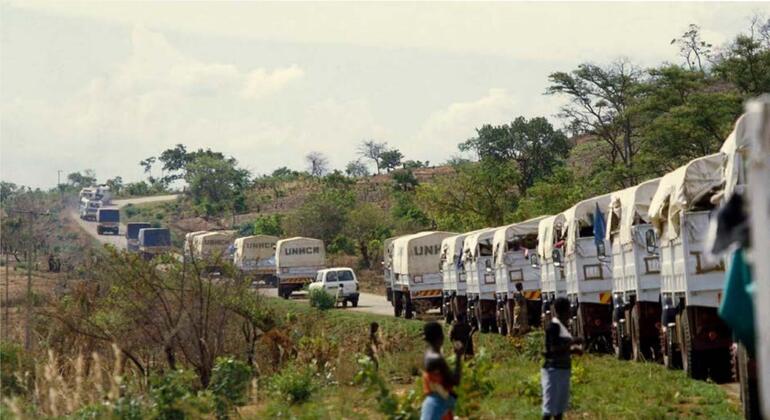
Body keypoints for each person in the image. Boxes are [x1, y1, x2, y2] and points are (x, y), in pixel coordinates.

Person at [541, 297, 583, 420]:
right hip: (553, 370)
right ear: (565, 311)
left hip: (563, 369)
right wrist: (573, 342)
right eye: (569, 309)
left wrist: (573, 351)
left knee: (559, 409)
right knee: (549, 408)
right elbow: (553, 349)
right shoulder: (554, 327)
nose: (570, 312)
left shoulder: (562, 326)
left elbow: (560, 348)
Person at [421, 321, 464, 420]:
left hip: (437, 405)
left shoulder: (428, 355)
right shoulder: (437, 359)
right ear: (441, 337)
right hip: (437, 406)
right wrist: (458, 357)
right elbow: (455, 381)